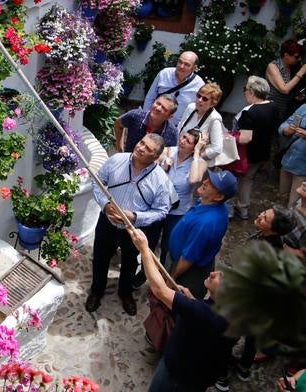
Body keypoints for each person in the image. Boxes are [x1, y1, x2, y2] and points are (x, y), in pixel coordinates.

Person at [116, 230, 235, 392]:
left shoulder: (202, 313)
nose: (212, 272)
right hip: (202, 376)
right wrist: (191, 301)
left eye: (217, 277)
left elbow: (160, 290)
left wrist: (144, 249)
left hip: (176, 370)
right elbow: (202, 318)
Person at [85, 133, 171, 316]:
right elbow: (97, 182)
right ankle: (96, 291)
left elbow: (162, 211)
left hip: (133, 230)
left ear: (155, 157)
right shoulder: (116, 160)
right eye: (141, 142)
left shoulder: (161, 180)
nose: (140, 148)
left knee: (130, 262)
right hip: (107, 222)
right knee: (100, 257)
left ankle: (125, 293)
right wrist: (105, 205)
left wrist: (135, 216)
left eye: (148, 149)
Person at [215, 204, 298, 391]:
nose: (260, 216)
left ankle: (221, 378)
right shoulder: (275, 242)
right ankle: (244, 368)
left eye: (265, 218)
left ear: (273, 229)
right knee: (252, 338)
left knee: (227, 338)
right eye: (264, 212)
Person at [167, 169, 237, 297]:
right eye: (208, 179)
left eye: (212, 184)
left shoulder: (206, 224)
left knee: (174, 309)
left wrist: (171, 279)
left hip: (187, 271)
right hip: (183, 259)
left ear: (219, 197)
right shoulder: (207, 201)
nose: (205, 182)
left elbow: (187, 259)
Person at [230, 76, 281, 220]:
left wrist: (227, 137)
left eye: (245, 89)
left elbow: (245, 138)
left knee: (234, 179)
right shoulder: (273, 106)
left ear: (251, 92)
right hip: (262, 152)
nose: (244, 92)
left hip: (246, 155)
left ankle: (231, 208)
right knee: (248, 180)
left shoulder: (249, 112)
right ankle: (243, 208)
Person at [158, 129, 204, 265]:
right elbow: (153, 165)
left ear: (194, 148)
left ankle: (164, 273)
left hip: (177, 211)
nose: (182, 141)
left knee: (168, 244)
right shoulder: (168, 151)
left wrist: (196, 154)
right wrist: (162, 162)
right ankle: (144, 270)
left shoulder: (199, 162)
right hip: (158, 205)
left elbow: (194, 179)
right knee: (149, 240)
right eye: (183, 137)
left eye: (188, 141)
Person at [143, 52, 204, 130]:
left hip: (175, 129)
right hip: (153, 123)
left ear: (194, 68)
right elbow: (150, 97)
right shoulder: (164, 74)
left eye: (186, 64)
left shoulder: (199, 85)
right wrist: (145, 118)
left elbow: (198, 110)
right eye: (180, 62)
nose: (181, 66)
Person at [176, 82, 225, 166]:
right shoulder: (191, 107)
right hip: (179, 154)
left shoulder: (214, 119)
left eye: (205, 99)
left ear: (213, 103)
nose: (199, 100)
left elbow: (217, 149)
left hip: (195, 162)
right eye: (198, 96)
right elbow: (180, 128)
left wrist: (195, 157)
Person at [114, 95, 178, 153]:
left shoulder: (172, 133)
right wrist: (120, 149)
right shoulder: (135, 115)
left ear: (169, 116)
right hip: (128, 159)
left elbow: (169, 154)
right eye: (158, 103)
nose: (158, 108)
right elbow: (118, 124)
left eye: (164, 108)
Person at [266, 40, 306, 122]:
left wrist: (296, 95)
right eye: (296, 56)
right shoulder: (273, 66)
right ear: (286, 55)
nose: (299, 59)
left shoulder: (293, 66)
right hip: (271, 111)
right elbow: (284, 89)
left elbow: (292, 88)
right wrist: (301, 72)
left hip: (285, 112)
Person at [279, 103, 306, 206]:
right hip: (288, 160)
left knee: (294, 205)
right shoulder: (304, 107)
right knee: (282, 197)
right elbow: (287, 123)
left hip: (303, 169)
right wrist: (286, 130)